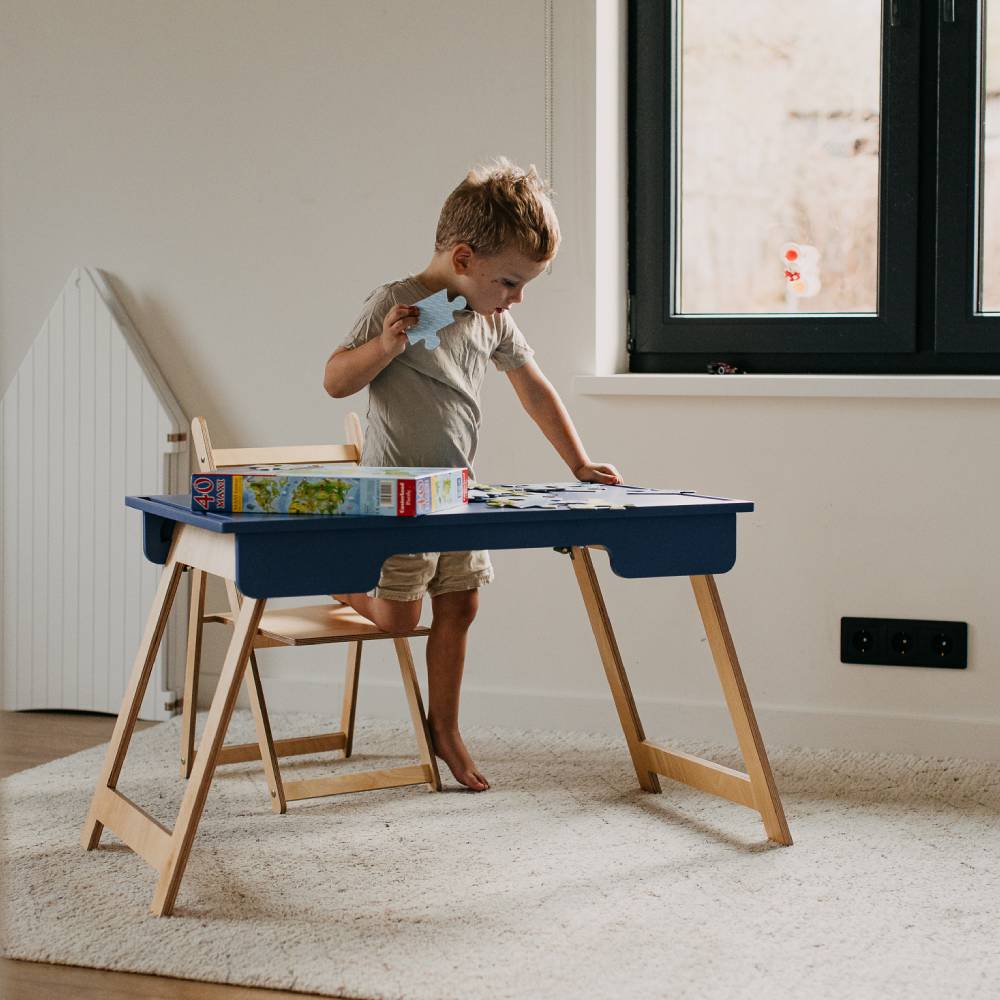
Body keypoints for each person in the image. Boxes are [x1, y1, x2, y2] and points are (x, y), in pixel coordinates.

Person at [323, 157, 620, 791]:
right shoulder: (397, 303)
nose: (516, 298)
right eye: (510, 282)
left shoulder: (489, 318)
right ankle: (343, 584)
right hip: (396, 496)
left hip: (456, 494)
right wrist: (385, 346)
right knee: (402, 619)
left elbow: (532, 388)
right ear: (463, 258)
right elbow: (335, 380)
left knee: (461, 604)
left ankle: (445, 728)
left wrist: (579, 461)